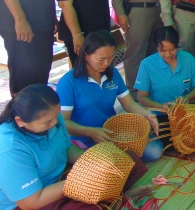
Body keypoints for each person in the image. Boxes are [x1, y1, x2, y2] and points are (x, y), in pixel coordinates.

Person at [0, 84, 151, 210]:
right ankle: (117, 200)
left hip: (61, 178)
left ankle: (115, 199)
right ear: (20, 121)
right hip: (35, 199)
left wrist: (97, 163)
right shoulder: (9, 149)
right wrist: (81, 180)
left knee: (125, 159)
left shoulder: (53, 117)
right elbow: (31, 202)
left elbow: (67, 148)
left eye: (56, 116)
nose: (55, 123)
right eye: (47, 122)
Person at [56, 30, 163, 162]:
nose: (106, 63)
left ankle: (121, 158)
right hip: (83, 139)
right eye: (101, 59)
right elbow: (64, 123)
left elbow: (129, 103)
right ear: (86, 55)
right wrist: (90, 132)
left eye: (110, 58)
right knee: (109, 165)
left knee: (154, 151)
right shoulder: (68, 82)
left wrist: (147, 114)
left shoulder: (112, 73)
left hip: (111, 133)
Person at [135, 26, 195, 113]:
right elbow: (141, 97)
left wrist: (186, 98)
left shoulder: (188, 59)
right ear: (156, 47)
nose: (168, 55)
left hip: (187, 112)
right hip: (160, 114)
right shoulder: (146, 65)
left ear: (177, 45)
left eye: (172, 49)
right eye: (163, 51)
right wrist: (161, 107)